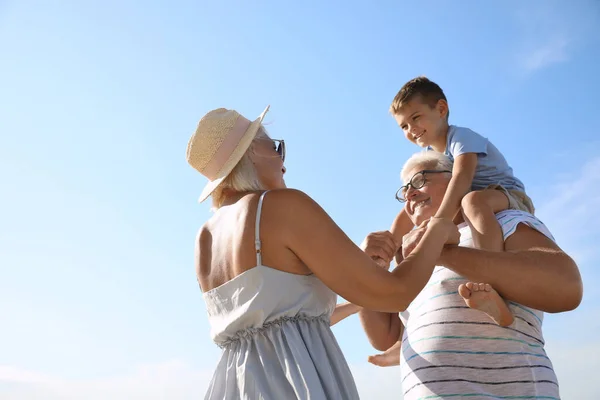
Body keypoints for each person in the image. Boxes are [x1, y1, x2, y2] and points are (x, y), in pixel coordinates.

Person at [186, 106, 458, 399]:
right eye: (275, 147)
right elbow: (397, 292)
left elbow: (279, 314)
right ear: (252, 153)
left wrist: (359, 278)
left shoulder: (205, 239)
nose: (282, 161)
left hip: (233, 384)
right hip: (296, 379)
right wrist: (438, 230)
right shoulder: (282, 205)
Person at [359, 151, 583, 398]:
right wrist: (369, 266)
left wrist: (441, 250)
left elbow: (565, 286)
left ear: (455, 180)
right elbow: (384, 337)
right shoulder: (409, 255)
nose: (410, 194)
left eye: (420, 181)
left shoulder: (500, 221)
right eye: (404, 192)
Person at [389, 76, 536, 327]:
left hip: (508, 194)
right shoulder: (429, 156)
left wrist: (438, 225)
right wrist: (392, 243)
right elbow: (410, 205)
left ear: (441, 109)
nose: (411, 129)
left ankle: (492, 282)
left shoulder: (461, 138)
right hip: (478, 198)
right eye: (403, 126)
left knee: (471, 201)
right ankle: (409, 326)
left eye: (415, 118)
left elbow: (462, 177)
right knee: (431, 217)